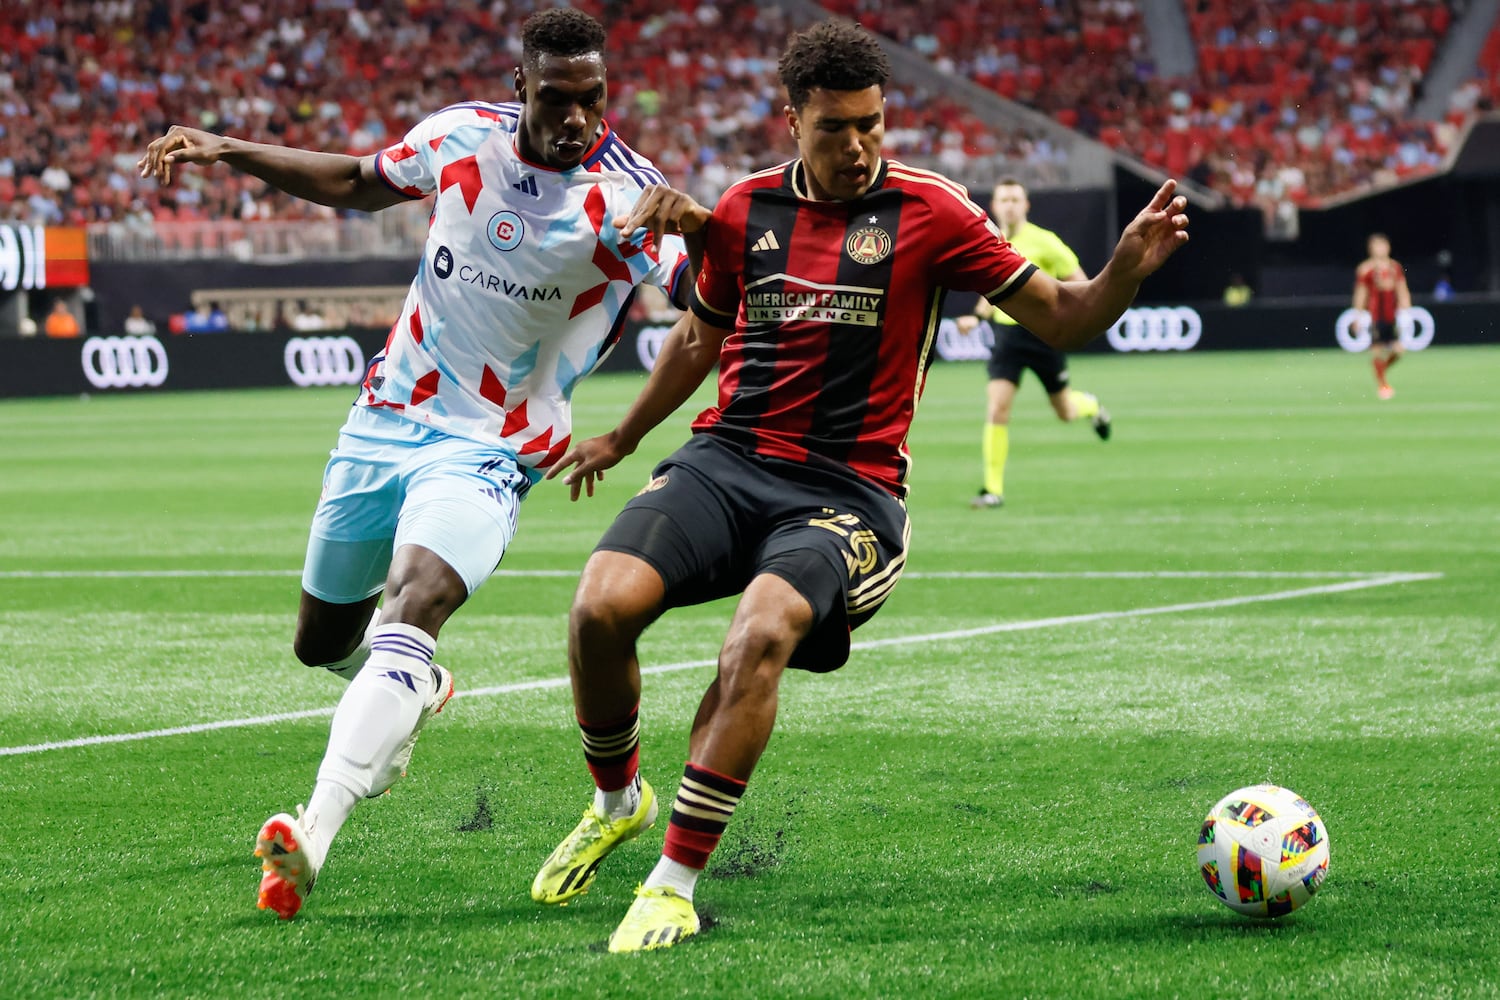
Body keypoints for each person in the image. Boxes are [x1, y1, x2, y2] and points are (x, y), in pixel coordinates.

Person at [529, 19, 1190, 952]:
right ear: (791, 119)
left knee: (758, 632)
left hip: (849, 495)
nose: (857, 147)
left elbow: (1067, 318)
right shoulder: (743, 208)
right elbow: (697, 338)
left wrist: (1123, 266)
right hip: (728, 461)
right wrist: (621, 435)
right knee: (599, 609)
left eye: (872, 125)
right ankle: (616, 800)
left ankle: (673, 882)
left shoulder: (936, 213)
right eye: (833, 128)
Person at [138, 7, 708, 921]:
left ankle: (309, 835)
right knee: (322, 642)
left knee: (415, 602)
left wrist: (709, 235)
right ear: (522, 86)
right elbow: (361, 182)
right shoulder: (458, 137)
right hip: (385, 417)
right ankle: (410, 686)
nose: (578, 120)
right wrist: (228, 147)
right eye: (559, 100)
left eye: (593, 101)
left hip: (494, 445)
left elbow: (707, 300)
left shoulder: (631, 198)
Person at [955, 179, 1111, 510]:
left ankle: (1092, 407)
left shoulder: (1046, 242)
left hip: (1043, 335)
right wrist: (977, 317)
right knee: (997, 407)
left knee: (1065, 411)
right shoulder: (992, 241)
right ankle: (992, 490)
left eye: (1015, 199)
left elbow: (1080, 283)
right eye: (1003, 199)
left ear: (1025, 205)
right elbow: (997, 291)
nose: (1009, 205)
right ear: (995, 206)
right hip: (1007, 337)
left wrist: (1061, 310)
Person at [1352, 233, 1411, 400]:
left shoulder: (1395, 268)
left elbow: (1402, 289)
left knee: (1399, 350)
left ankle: (1381, 370)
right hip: (1375, 317)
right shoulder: (1365, 269)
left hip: (1392, 316)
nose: (1380, 249)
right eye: (1376, 246)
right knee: (1377, 351)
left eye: (1382, 245)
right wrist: (1357, 315)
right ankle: (1383, 385)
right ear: (1371, 249)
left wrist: (1406, 308)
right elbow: (1361, 293)